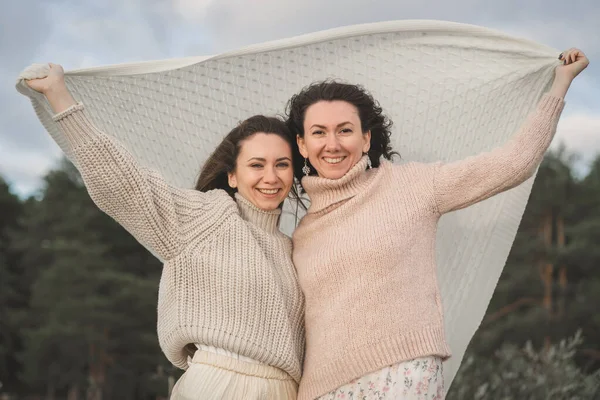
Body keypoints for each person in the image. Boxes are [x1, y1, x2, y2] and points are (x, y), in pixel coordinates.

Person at [285, 48, 589, 399]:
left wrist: (560, 86)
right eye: (319, 133)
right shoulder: (301, 234)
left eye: (345, 130)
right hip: (322, 389)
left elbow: (513, 163)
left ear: (366, 138)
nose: (333, 144)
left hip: (402, 376)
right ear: (303, 145)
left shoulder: (412, 186)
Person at [24, 63, 305, 399]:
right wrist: (60, 97)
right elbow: (125, 185)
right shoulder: (207, 217)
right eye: (256, 165)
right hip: (220, 385)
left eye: (282, 165)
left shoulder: (295, 249)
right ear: (232, 175)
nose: (270, 177)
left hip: (287, 391)